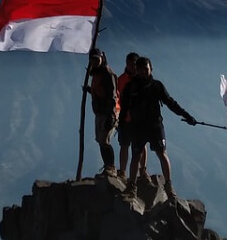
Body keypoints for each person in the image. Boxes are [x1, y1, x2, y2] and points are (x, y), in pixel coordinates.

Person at [119, 56, 198, 199]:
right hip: (138, 127)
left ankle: (168, 186)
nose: (144, 72)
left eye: (146, 69)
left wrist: (187, 116)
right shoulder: (131, 87)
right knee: (136, 156)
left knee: (161, 154)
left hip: (155, 126)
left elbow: (170, 103)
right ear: (137, 70)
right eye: (141, 69)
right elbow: (124, 108)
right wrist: (121, 125)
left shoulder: (157, 86)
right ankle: (132, 187)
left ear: (151, 69)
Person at [83, 48, 118, 177]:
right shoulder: (96, 74)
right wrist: (90, 90)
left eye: (96, 59)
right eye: (92, 59)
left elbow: (112, 95)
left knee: (104, 140)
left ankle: (111, 167)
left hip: (108, 112)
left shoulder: (107, 74)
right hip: (100, 112)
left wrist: (111, 115)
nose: (94, 61)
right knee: (100, 140)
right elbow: (101, 92)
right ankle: (107, 166)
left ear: (102, 58)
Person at [115, 52, 148, 180]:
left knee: (141, 145)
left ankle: (142, 170)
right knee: (124, 145)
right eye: (129, 64)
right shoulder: (121, 80)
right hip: (125, 118)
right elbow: (116, 98)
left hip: (140, 119)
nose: (131, 67)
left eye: (133, 64)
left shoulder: (143, 81)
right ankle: (122, 171)